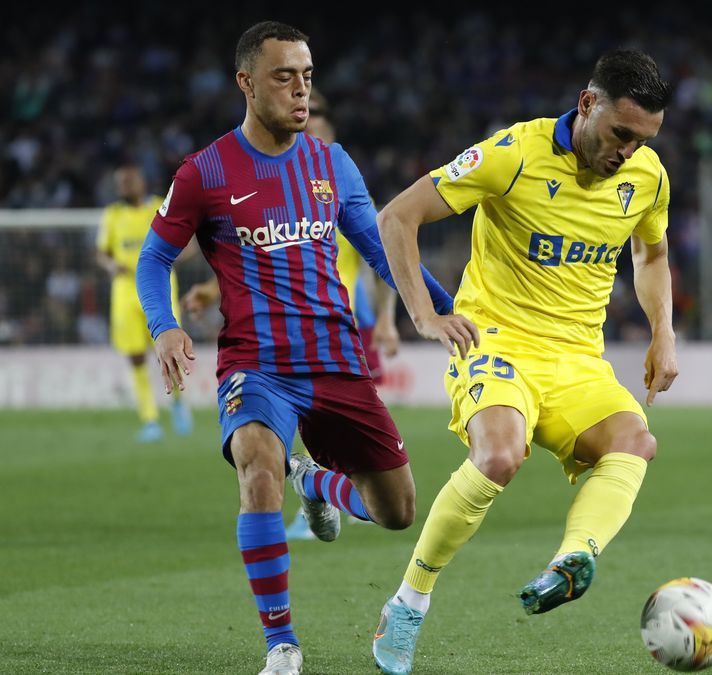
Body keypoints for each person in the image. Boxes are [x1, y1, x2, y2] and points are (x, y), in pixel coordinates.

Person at [135, 21, 466, 675]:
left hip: (337, 361)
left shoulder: (332, 164)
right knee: (257, 470)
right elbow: (154, 256)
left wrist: (449, 309)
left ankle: (313, 479)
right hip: (256, 364)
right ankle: (282, 646)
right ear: (247, 82)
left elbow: (378, 246)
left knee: (397, 510)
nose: (300, 90)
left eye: (307, 76)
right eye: (284, 76)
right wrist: (164, 323)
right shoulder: (204, 172)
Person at [371, 49, 678, 674]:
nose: (629, 152)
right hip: (498, 344)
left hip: (577, 360)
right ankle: (410, 601)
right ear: (587, 104)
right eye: (622, 134)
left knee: (634, 441)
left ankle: (573, 559)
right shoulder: (512, 154)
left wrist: (662, 332)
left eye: (644, 140)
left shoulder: (647, 177)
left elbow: (651, 256)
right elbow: (397, 216)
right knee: (499, 456)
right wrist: (424, 315)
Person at [178, 93, 402, 541]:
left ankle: (314, 483)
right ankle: (301, 499)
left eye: (318, 118)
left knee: (393, 504)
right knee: (268, 447)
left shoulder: (341, 181)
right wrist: (206, 289)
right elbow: (255, 261)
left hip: (342, 329)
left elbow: (382, 262)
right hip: (274, 341)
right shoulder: (264, 182)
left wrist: (392, 320)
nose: (307, 123)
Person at [97, 164, 192, 442]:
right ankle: (149, 419)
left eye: (130, 180)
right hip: (125, 289)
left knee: (170, 349)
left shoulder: (160, 206)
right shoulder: (112, 215)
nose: (126, 186)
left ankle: (177, 401)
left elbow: (189, 244)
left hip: (159, 287)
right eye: (121, 182)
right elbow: (102, 253)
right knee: (136, 355)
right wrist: (111, 265)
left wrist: (168, 260)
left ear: (142, 182)